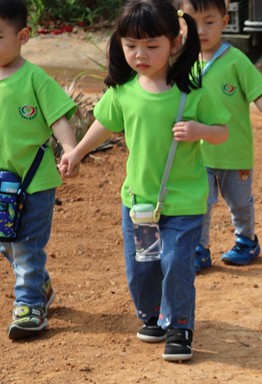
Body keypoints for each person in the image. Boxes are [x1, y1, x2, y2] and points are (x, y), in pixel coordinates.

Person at [60, 0, 229, 362]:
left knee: (176, 264)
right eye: (131, 45)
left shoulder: (192, 93)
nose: (140, 54)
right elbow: (104, 124)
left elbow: (221, 132)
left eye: (152, 46)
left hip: (184, 201)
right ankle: (152, 315)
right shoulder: (123, 92)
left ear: (174, 43)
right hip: (138, 202)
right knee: (142, 267)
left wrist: (199, 130)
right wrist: (77, 152)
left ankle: (180, 326)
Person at [177, 0, 262, 273]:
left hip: (234, 151)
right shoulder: (182, 61)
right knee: (200, 203)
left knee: (239, 202)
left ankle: (246, 241)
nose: (201, 30)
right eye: (193, 23)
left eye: (209, 22)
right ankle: (199, 249)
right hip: (197, 153)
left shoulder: (236, 60)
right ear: (181, 24)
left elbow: (259, 92)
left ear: (225, 21)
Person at [0, 0, 78, 340]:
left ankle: (30, 304)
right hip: (1, 185)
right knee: (7, 242)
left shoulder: (35, 78)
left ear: (23, 36)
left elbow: (58, 117)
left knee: (28, 244)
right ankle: (40, 285)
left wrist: (71, 149)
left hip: (35, 182)